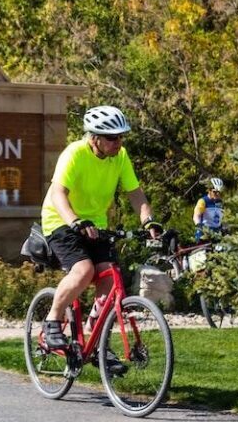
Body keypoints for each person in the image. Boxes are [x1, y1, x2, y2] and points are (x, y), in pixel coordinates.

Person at [40, 105, 162, 373]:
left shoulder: (120, 157)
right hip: (61, 220)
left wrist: (148, 221)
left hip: (96, 225)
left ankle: (97, 343)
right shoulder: (75, 153)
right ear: (94, 137)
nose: (118, 142)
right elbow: (58, 193)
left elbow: (136, 194)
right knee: (83, 270)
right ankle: (51, 321)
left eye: (120, 137)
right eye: (112, 138)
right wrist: (75, 221)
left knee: (110, 278)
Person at [193, 177, 224, 242]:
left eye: (219, 192)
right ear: (209, 190)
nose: (217, 194)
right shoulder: (203, 201)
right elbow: (196, 216)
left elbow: (222, 218)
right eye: (215, 192)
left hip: (217, 232)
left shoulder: (220, 203)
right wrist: (199, 225)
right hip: (204, 232)